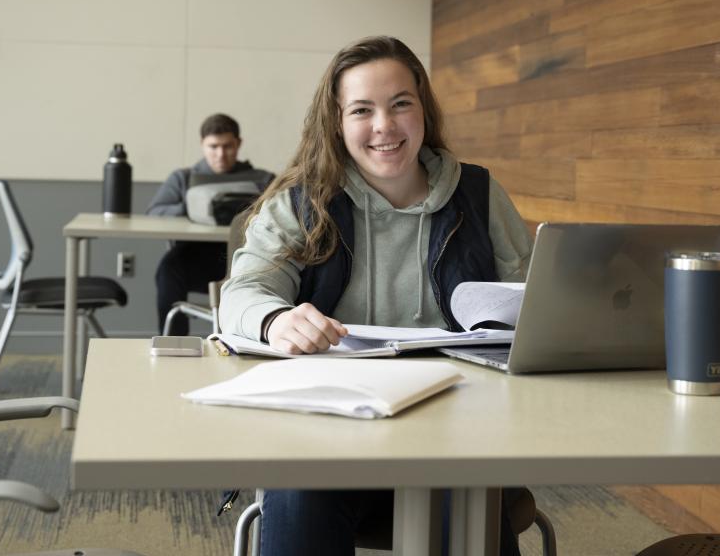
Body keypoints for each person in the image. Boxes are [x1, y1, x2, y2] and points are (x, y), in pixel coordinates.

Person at [219, 37, 533, 555]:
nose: (384, 126)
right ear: (338, 123)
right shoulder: (302, 202)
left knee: (472, 503)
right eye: (362, 110)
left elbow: (531, 302)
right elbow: (244, 290)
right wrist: (276, 320)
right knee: (299, 497)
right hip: (325, 441)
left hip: (456, 435)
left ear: (423, 113)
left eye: (400, 104)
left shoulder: (478, 195)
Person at [147, 113, 274, 336]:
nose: (220, 155)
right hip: (197, 259)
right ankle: (174, 345)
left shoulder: (263, 180)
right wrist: (191, 210)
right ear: (202, 145)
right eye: (213, 147)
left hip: (246, 257)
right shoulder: (183, 179)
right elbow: (155, 212)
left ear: (239, 144)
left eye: (228, 146)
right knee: (168, 269)